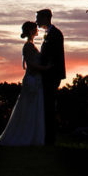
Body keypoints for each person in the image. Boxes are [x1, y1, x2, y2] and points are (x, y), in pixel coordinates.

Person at [0, 21, 49, 146]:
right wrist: (46, 69)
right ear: (32, 31)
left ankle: (33, 135)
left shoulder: (30, 45)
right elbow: (30, 65)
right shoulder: (28, 46)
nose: (38, 30)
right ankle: (26, 136)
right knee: (29, 108)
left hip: (35, 78)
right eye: (35, 29)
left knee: (33, 108)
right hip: (32, 79)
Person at [35, 8, 66, 144]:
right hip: (47, 74)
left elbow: (53, 56)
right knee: (46, 105)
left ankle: (50, 138)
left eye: (38, 18)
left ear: (46, 18)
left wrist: (43, 67)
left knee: (49, 105)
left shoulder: (56, 34)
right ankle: (47, 137)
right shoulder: (49, 33)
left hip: (51, 75)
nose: (36, 21)